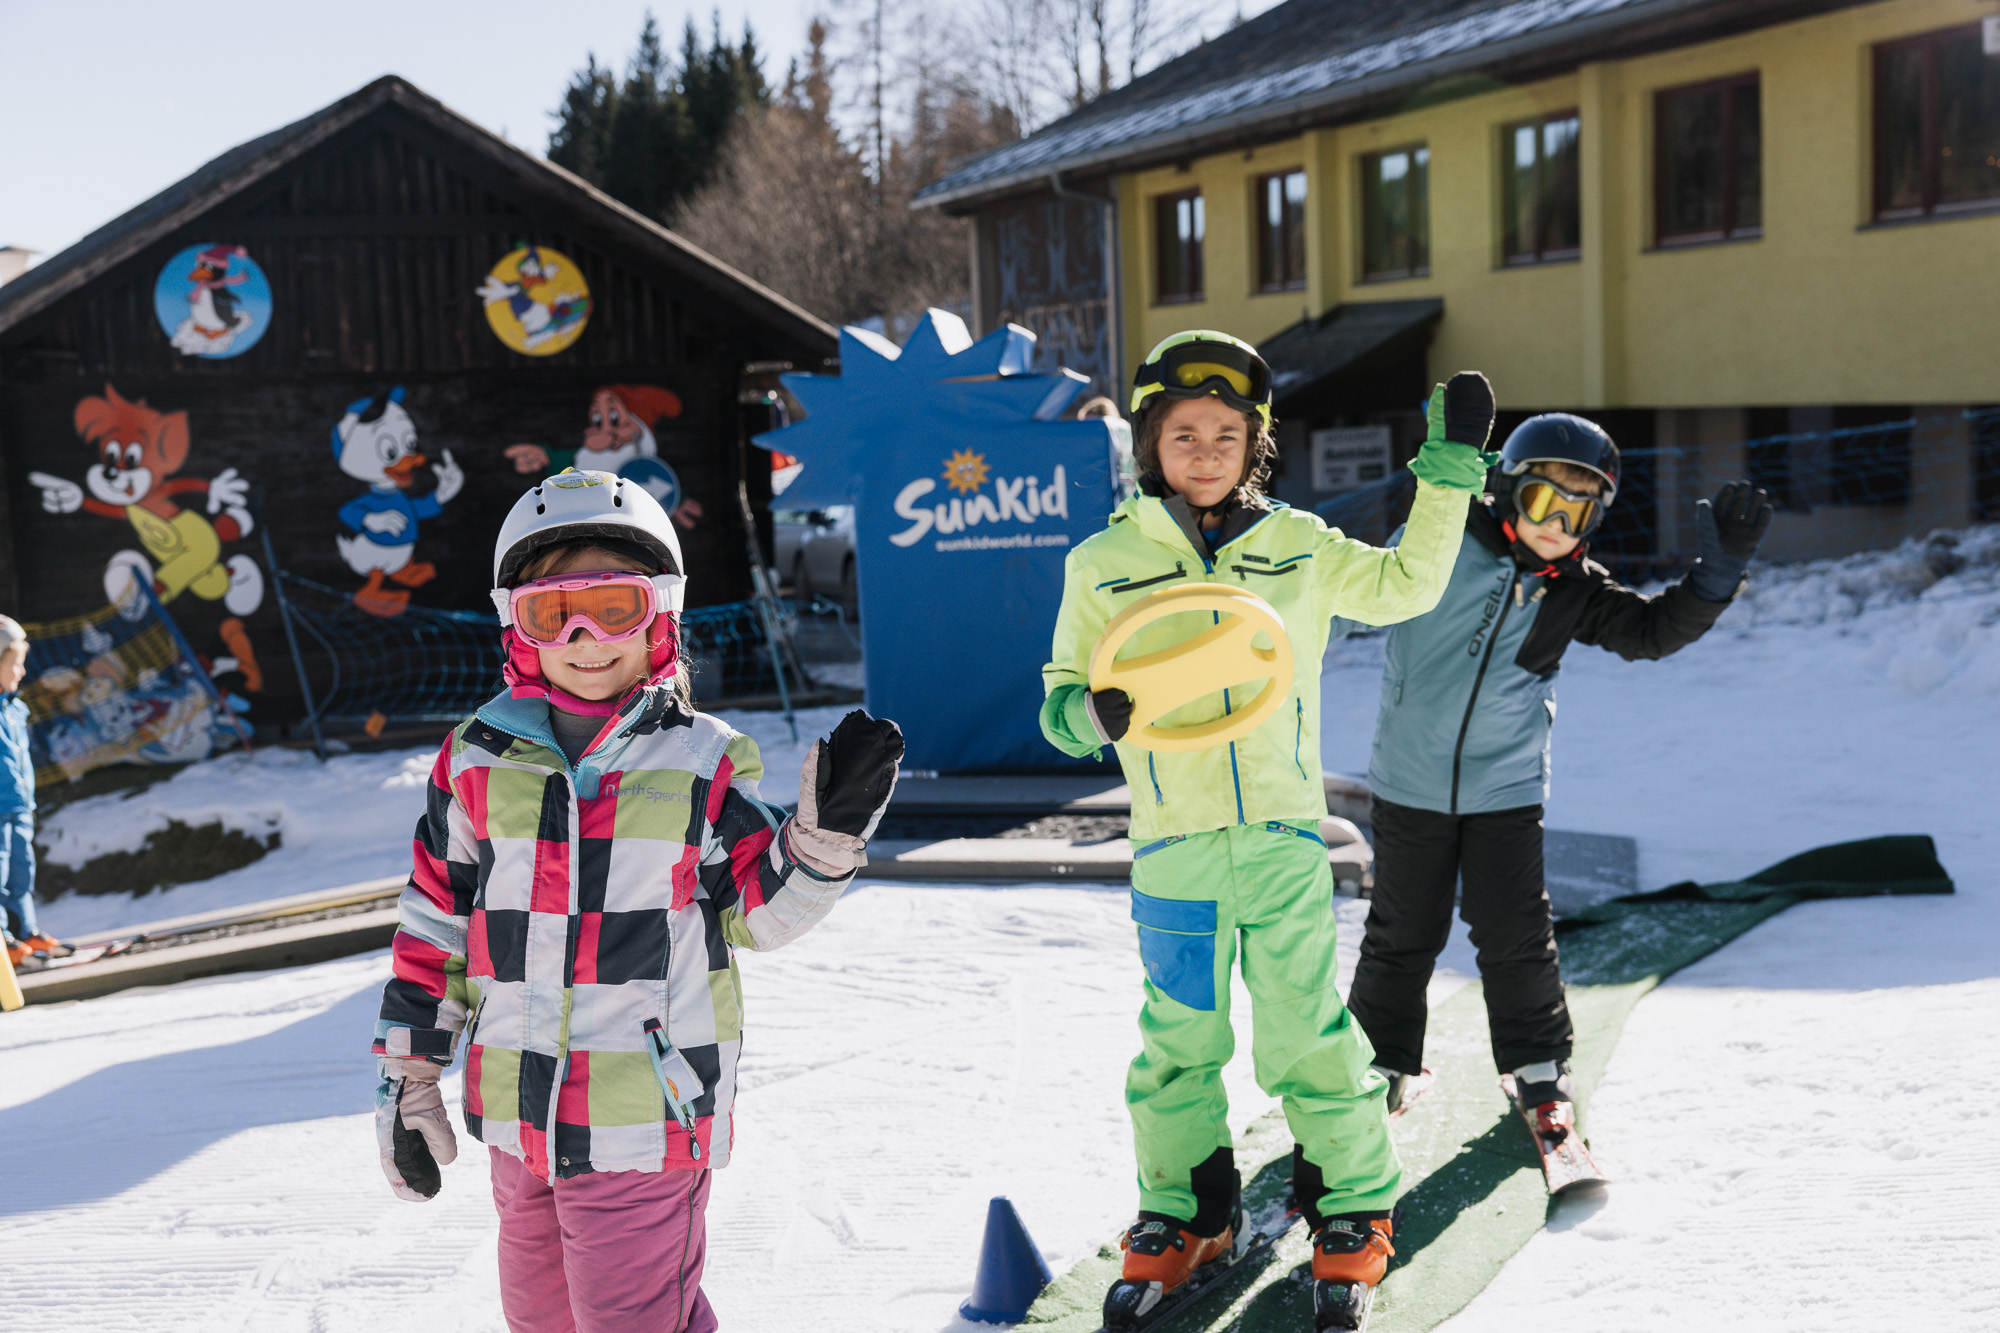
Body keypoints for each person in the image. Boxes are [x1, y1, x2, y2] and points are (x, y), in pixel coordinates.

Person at [370, 469, 903, 1333]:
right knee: (540, 1321)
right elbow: (435, 925)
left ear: (659, 611)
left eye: (613, 607)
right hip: (517, 1126)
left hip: (643, 1122)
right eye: (554, 614)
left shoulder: (700, 761)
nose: (585, 637)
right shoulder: (476, 759)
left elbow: (761, 913)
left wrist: (819, 845)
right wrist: (410, 1079)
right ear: (520, 626)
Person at [1039, 330, 1497, 1327]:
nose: (1203, 451)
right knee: (1176, 1038)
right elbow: (1059, 694)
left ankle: (1349, 1206)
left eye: (1225, 433)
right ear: (1147, 443)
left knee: (1304, 1030)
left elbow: (1403, 587)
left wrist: (1448, 474)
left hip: (1283, 839)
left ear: (1256, 445)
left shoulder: (1295, 545)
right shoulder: (1103, 563)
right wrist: (1086, 716)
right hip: (1172, 845)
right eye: (1181, 432)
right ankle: (1185, 1211)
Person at [1344, 413, 1772, 1145]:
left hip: (1505, 790)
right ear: (1509, 490)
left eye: (1578, 513)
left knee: (1515, 933)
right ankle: (1382, 1062)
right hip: (1410, 781)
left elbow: (1650, 631)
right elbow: (1356, 592)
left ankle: (1539, 1065)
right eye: (1544, 502)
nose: (1557, 526)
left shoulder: (1572, 587)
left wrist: (1714, 579)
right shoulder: (1441, 543)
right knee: (1401, 932)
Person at [0, 616, 59, 967]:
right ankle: (2, 938)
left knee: (22, 871)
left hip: (19, 805)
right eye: (15, 664)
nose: (21, 672)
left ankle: (25, 931)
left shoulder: (14, 708)